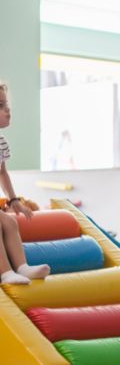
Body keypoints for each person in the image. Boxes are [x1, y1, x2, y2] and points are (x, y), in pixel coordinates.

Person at [0, 83, 50, 284]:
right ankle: (6, 273)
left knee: (10, 222)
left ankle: (22, 267)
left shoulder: (1, 142)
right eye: (0, 105)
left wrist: (14, 201)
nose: (7, 110)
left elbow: (2, 173)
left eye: (6, 104)